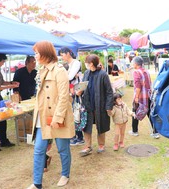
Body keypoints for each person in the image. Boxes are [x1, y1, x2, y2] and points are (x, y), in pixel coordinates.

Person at [27, 41, 75, 189]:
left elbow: (63, 97)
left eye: (37, 53)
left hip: (56, 116)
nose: (35, 56)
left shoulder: (59, 70)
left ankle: (65, 174)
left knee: (62, 148)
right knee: (39, 149)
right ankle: (37, 183)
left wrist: (58, 117)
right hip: (43, 116)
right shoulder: (41, 70)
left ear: (45, 53)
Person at [76, 54, 113, 156]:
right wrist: (79, 91)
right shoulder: (86, 73)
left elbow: (109, 92)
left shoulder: (103, 74)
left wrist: (108, 106)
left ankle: (101, 145)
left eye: (86, 62)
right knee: (86, 126)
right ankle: (88, 146)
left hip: (100, 105)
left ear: (91, 63)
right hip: (87, 104)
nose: (85, 64)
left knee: (101, 125)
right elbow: (82, 86)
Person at [128, 56, 159, 139]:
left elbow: (138, 87)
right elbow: (149, 84)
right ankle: (155, 132)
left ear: (135, 63)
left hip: (141, 96)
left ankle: (134, 131)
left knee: (135, 112)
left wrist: (137, 97)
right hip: (148, 96)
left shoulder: (136, 72)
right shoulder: (146, 71)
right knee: (150, 113)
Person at [58, 47, 84, 146]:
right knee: (73, 114)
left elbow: (69, 77)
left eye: (62, 54)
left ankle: (78, 137)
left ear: (68, 53)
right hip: (70, 91)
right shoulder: (68, 64)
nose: (62, 57)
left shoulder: (75, 63)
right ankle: (76, 136)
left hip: (76, 92)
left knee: (75, 114)